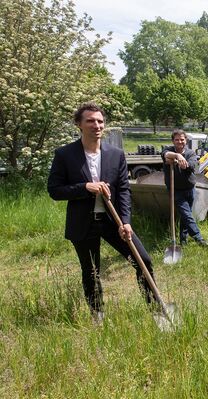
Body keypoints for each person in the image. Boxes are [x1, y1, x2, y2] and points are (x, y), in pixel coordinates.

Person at [47, 102, 158, 322]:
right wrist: (84, 188)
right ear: (78, 124)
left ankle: (155, 310)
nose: (96, 125)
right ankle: (98, 316)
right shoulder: (65, 155)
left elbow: (124, 190)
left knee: (143, 260)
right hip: (83, 223)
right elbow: (54, 190)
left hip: (113, 222)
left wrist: (126, 221)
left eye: (100, 121)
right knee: (91, 272)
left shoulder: (115, 154)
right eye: (90, 121)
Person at [161, 129, 208, 246]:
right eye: (176, 140)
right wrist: (177, 156)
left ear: (186, 140)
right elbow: (165, 155)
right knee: (187, 214)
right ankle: (198, 238)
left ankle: (183, 240)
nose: (179, 142)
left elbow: (192, 165)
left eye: (182, 139)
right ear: (173, 141)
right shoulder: (169, 150)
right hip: (175, 190)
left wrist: (183, 163)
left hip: (189, 188)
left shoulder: (191, 153)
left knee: (184, 216)